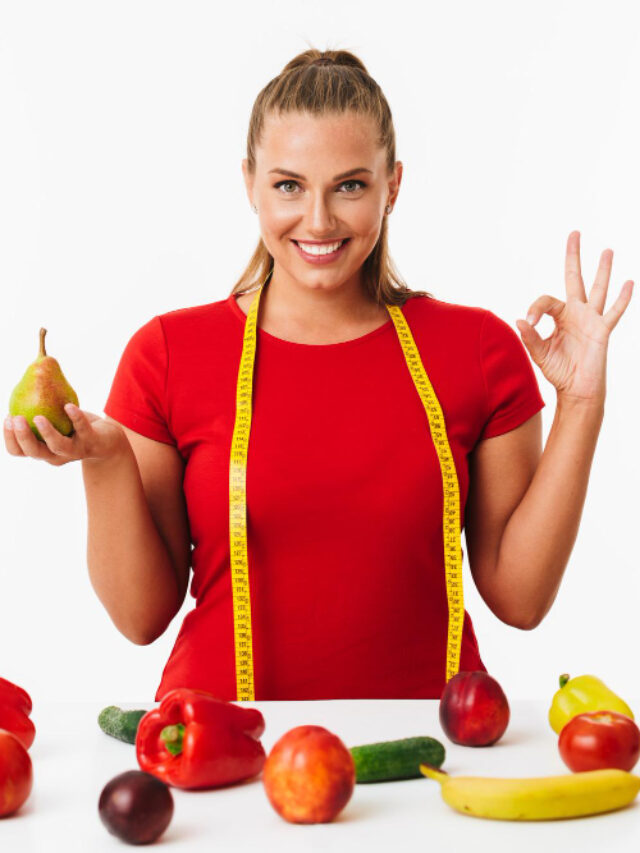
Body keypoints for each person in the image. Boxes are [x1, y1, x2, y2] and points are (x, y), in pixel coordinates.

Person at [4, 49, 633, 702]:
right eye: (288, 185)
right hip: (218, 748)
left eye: (351, 185)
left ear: (393, 184)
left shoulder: (477, 350)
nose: (319, 220)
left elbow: (521, 598)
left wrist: (581, 401)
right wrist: (104, 460)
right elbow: (140, 617)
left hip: (431, 757)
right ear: (249, 182)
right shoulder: (168, 353)